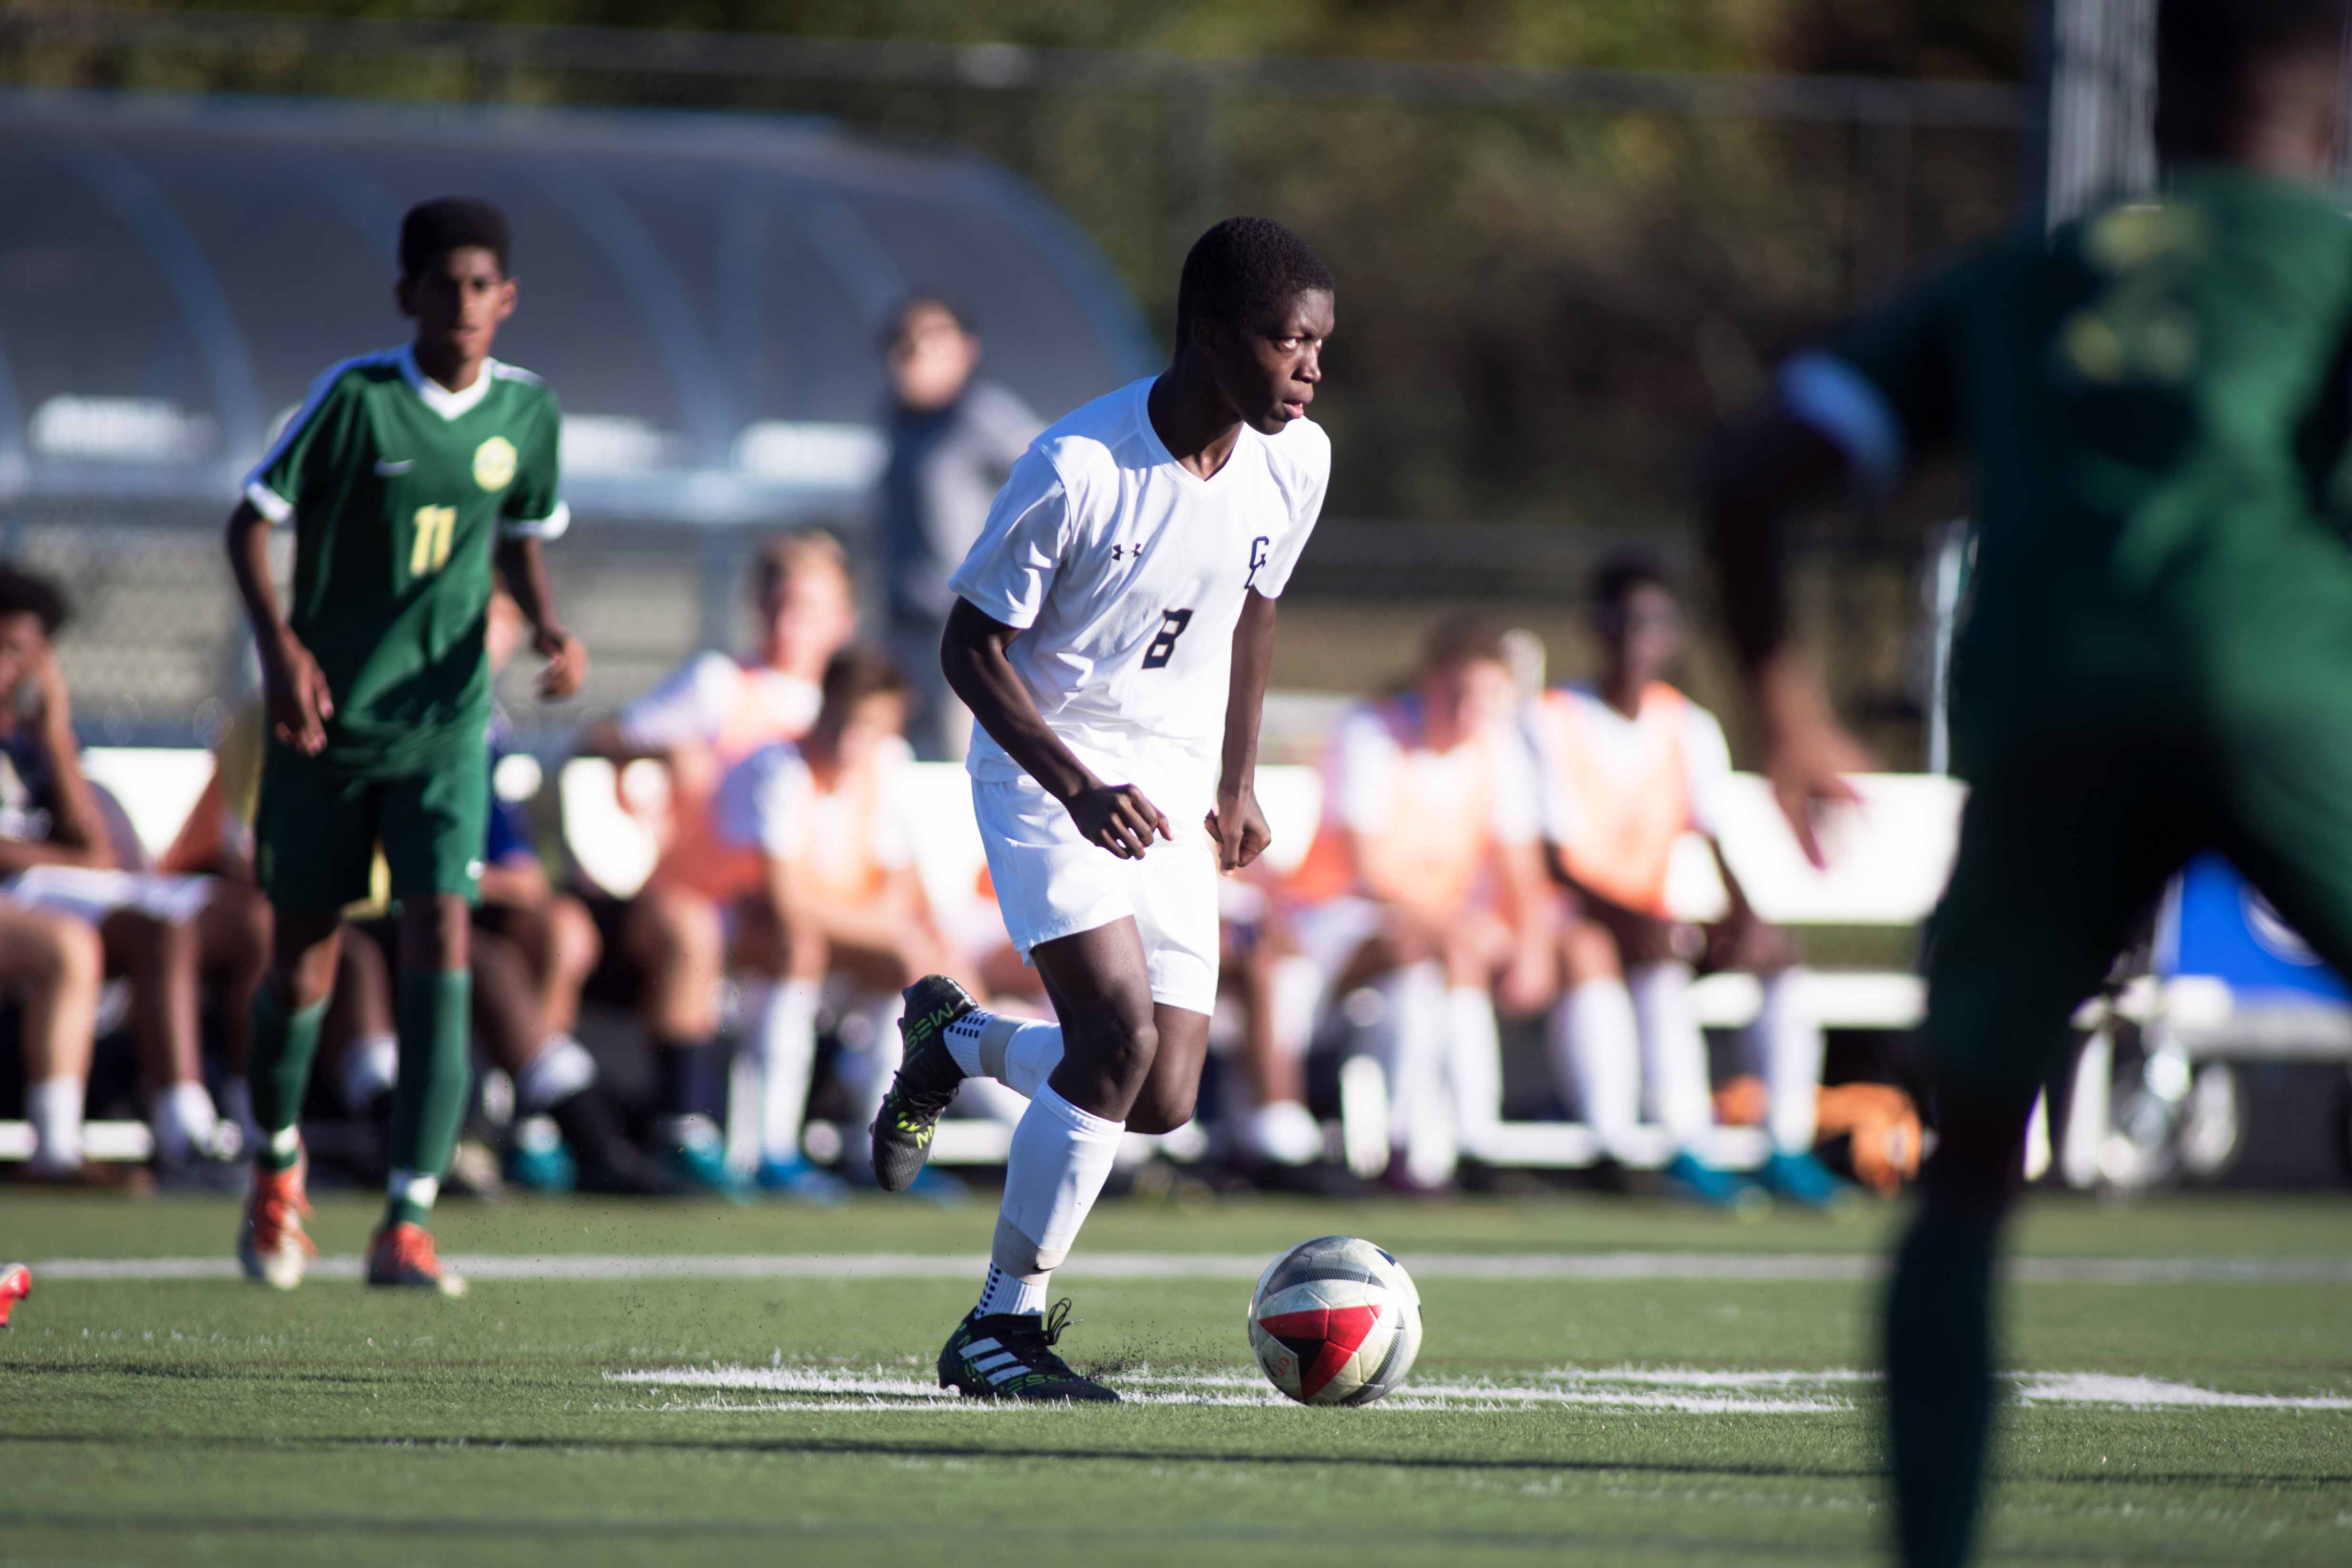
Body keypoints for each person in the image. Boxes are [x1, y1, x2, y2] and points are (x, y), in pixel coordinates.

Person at [1701, 4, 2352, 1560]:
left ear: (2158, 96)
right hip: (2274, 695)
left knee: (1971, 1167)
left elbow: (1744, 471)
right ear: (2329, 111)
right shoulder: (2326, 266)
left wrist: (1786, 707)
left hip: (2048, 720)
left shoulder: (2024, 277)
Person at [866, 216, 1334, 1400]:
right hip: (1045, 766)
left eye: (1320, 344)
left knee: (1164, 1093)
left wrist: (1233, 781)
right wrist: (1075, 786)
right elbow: (969, 649)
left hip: (1169, 776)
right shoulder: (1077, 467)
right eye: (1289, 341)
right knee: (1115, 1040)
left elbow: (1256, 600)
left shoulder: (1296, 458)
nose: (1311, 368)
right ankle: (997, 1326)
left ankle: (954, 1040)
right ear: (1214, 336)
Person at [225, 196, 583, 1294]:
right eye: (446, 284)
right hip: (327, 723)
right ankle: (277, 1164)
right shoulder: (358, 399)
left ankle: (408, 1217)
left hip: (446, 727)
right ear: (408, 295)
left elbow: (519, 539)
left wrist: (551, 626)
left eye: (485, 286)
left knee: (444, 937)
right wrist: (282, 650)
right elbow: (249, 520)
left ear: (507, 298)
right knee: (305, 959)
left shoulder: (527, 413)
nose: (466, 303)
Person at [1526, 555, 1842, 1207]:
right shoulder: (1551, 717)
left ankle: (1786, 1144)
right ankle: (1684, 1144)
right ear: (1600, 628)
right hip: (1574, 918)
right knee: (1660, 963)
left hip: (1652, 915)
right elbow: (1553, 861)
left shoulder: (1688, 723)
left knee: (1779, 959)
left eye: (1657, 623)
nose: (1641, 637)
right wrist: (1639, 921)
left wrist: (1748, 918)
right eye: (1627, 621)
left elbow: (1715, 834)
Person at [575, 531, 856, 1192]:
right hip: (689, 895)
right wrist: (657, 754)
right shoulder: (718, 683)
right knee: (704, 930)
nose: (790, 624)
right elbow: (601, 740)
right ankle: (687, 1126)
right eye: (778, 605)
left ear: (844, 622)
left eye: (810, 609)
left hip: (788, 905)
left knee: (890, 950)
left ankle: (805, 1143)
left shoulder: (843, 710)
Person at [0, 567, 260, 1185]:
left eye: (30, 657)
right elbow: (80, 859)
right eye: (7, 651)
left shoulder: (32, 744)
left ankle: (240, 1129)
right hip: (25, 901)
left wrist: (56, 732)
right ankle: (64, 1148)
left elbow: (91, 841)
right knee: (82, 940)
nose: (16, 671)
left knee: (241, 922)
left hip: (52, 889)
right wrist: (71, 862)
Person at [1283, 614, 1554, 1187]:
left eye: (1483, 697)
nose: (1466, 711)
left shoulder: (1498, 749)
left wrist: (1532, 946)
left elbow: (1521, 868)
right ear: (1428, 683)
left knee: (1428, 967)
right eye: (1455, 694)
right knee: (1430, 949)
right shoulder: (1371, 731)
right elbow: (1365, 871)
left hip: (1427, 934)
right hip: (1332, 918)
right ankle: (1450, 1142)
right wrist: (1454, 927)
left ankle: (1447, 1144)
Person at [714, 647, 971, 1201]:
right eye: (848, 720)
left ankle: (874, 1149)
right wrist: (898, 932)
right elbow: (783, 903)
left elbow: (901, 883)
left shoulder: (885, 764)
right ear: (824, 707)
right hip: (737, 936)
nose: (857, 738)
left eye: (873, 726)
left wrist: (914, 940)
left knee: (908, 970)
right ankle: (769, 1151)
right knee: (801, 947)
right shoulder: (777, 766)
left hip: (827, 935)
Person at [879, 296, 1045, 761]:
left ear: (965, 351)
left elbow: (1055, 484)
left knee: (961, 764)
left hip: (964, 631)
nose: (911, 354)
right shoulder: (898, 420)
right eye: (901, 342)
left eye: (929, 341)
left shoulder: (982, 416)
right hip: (905, 630)